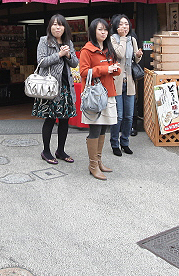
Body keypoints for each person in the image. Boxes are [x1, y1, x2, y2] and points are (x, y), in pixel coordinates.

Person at [31, 15, 78, 164]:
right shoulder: (44, 41)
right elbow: (41, 62)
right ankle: (46, 151)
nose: (58, 27)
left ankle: (60, 150)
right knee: (50, 119)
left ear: (65, 28)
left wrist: (68, 54)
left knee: (64, 121)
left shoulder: (68, 42)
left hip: (65, 87)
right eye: (55, 24)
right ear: (50, 27)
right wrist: (59, 54)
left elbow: (75, 63)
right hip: (50, 88)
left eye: (61, 25)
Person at [78, 18, 121, 180]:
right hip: (94, 96)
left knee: (104, 129)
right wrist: (105, 69)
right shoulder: (87, 50)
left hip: (108, 93)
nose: (104, 33)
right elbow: (83, 72)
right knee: (95, 130)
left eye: (105, 30)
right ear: (93, 31)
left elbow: (114, 68)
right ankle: (92, 165)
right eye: (100, 30)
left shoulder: (109, 48)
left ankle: (98, 161)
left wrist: (115, 69)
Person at [109, 14, 143, 156]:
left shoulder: (132, 39)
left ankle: (125, 142)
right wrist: (123, 38)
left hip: (129, 82)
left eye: (127, 24)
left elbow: (135, 59)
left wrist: (138, 55)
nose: (125, 26)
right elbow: (120, 54)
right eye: (121, 24)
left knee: (129, 116)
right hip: (116, 82)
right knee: (118, 116)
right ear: (116, 26)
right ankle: (114, 143)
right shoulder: (112, 39)